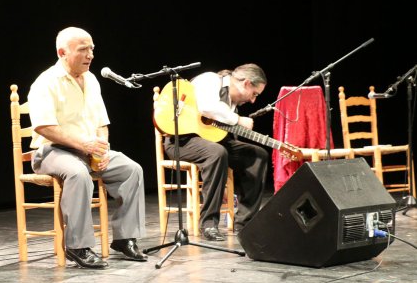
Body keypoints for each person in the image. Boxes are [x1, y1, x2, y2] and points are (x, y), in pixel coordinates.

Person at [27, 26, 147, 269]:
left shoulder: (91, 80)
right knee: (78, 173)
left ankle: (125, 239)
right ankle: (77, 246)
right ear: (63, 52)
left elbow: (102, 122)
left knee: (131, 169)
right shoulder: (45, 82)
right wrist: (84, 145)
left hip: (87, 150)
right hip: (51, 151)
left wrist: (101, 148)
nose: (90, 54)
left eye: (92, 48)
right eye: (83, 49)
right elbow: (44, 127)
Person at [163, 64, 269, 241]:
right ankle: (209, 224)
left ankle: (245, 222)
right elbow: (207, 107)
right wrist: (238, 120)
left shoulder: (232, 104)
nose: (253, 101)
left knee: (257, 155)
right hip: (180, 141)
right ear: (247, 84)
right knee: (217, 153)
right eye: (255, 94)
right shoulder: (211, 79)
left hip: (212, 143)